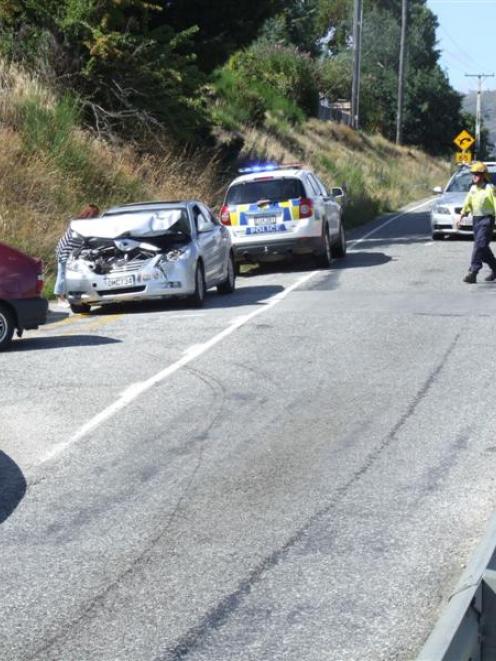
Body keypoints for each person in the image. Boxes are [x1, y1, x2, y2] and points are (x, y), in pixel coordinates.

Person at [457, 162, 496, 284]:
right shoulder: (473, 189)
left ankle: (473, 272)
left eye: (478, 174)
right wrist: (462, 215)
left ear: (484, 175)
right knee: (482, 248)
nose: (475, 176)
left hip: (487, 220)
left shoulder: (490, 188)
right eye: (473, 174)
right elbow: (468, 202)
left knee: (479, 245)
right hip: (476, 220)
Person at [54, 204, 100, 304]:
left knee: (68, 273)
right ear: (91, 215)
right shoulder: (78, 223)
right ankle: (60, 298)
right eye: (96, 215)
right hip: (66, 249)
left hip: (71, 251)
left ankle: (65, 296)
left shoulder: (81, 222)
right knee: (62, 273)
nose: (96, 217)